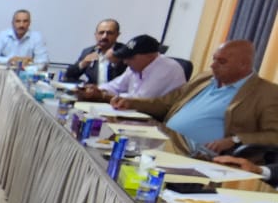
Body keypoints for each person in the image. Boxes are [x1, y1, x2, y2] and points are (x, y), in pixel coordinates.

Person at [115, 40, 278, 155]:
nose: (212, 65)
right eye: (214, 59)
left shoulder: (266, 92)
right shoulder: (205, 78)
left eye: (222, 62)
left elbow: (274, 135)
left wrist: (235, 140)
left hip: (196, 153)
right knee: (116, 136)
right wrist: (132, 103)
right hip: (166, 136)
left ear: (244, 65)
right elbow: (167, 103)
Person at [76, 35, 185, 101]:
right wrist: (96, 90)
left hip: (157, 121)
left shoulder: (167, 69)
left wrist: (103, 95)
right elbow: (115, 86)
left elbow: (141, 100)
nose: (125, 61)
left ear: (150, 56)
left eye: (130, 57)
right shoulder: (135, 67)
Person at [64, 19, 124, 84]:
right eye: (101, 33)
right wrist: (83, 63)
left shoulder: (124, 52)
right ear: (96, 35)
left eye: (109, 33)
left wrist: (115, 63)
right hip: (93, 90)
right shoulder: (88, 51)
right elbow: (68, 76)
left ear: (117, 35)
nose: (104, 36)